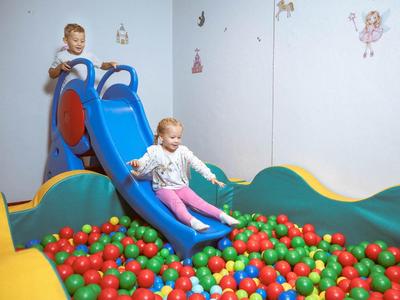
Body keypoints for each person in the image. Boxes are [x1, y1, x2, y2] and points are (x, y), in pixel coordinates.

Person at [127, 118, 239, 231]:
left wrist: (211, 176)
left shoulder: (183, 151)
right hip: (164, 189)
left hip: (181, 187)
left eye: (179, 137)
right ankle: (193, 222)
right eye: (172, 137)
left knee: (199, 202)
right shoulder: (154, 151)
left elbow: (197, 163)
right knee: (177, 205)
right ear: (162, 137)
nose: (176, 141)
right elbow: (144, 163)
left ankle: (222, 216)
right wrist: (137, 164)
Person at [49, 23, 117, 80]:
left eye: (82, 41)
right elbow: (51, 74)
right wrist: (60, 67)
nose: (79, 44)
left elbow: (102, 65)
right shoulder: (61, 56)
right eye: (75, 40)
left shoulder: (89, 55)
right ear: (66, 40)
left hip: (84, 93)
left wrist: (110, 65)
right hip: (68, 93)